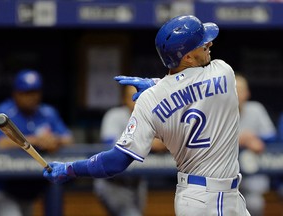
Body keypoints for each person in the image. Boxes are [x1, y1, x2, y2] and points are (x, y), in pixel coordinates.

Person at [44, 15, 251, 216]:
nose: (210, 45)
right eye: (203, 44)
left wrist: (71, 168)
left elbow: (115, 162)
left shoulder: (148, 101)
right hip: (208, 198)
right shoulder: (223, 71)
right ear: (187, 56)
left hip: (203, 198)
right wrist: (154, 83)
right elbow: (190, 84)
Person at [0, 69, 74, 216]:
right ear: (16, 93)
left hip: (32, 185)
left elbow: (68, 139)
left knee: (55, 182)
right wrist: (37, 140)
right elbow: (0, 143)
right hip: (3, 187)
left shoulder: (48, 112)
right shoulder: (3, 112)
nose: (32, 97)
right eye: (26, 92)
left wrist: (54, 140)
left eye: (35, 92)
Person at [94, 85, 166, 216]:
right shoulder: (114, 116)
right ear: (124, 99)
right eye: (132, 97)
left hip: (137, 182)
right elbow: (110, 145)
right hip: (113, 183)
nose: (137, 101)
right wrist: (149, 142)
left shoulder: (152, 117)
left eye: (141, 96)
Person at [235, 73, 277, 216]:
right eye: (233, 90)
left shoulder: (256, 109)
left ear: (247, 93)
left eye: (240, 90)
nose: (237, 94)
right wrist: (239, 140)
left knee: (254, 202)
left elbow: (271, 136)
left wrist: (256, 138)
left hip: (253, 170)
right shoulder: (219, 112)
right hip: (226, 171)